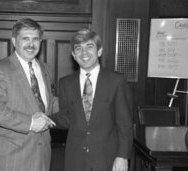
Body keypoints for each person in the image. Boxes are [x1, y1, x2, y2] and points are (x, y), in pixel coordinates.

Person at [50, 28, 133, 171]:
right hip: (75, 159)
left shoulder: (116, 81)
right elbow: (67, 118)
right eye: (78, 48)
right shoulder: (65, 83)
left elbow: (125, 123)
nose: (84, 53)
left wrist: (123, 156)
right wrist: (45, 119)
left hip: (108, 159)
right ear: (73, 55)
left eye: (89, 47)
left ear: (99, 51)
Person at [0, 18, 56, 171]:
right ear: (14, 41)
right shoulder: (0, 69)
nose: (31, 44)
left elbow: (48, 103)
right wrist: (30, 123)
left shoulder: (45, 69)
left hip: (43, 154)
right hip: (13, 156)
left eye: (35, 39)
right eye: (25, 38)